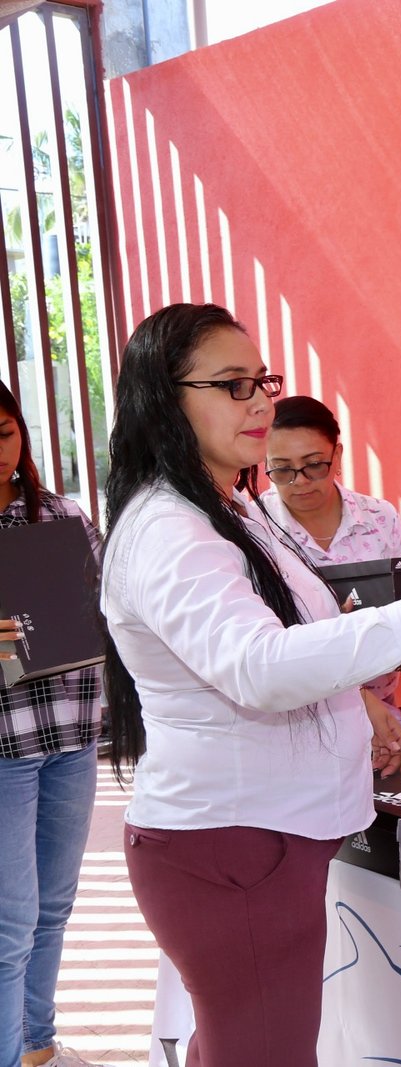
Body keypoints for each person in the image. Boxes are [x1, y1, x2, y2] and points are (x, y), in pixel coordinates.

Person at [98, 303, 401, 1066]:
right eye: (232, 384)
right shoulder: (170, 530)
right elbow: (258, 667)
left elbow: (288, 637)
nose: (260, 402)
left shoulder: (225, 507)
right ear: (163, 397)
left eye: (263, 381)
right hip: (231, 842)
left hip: (260, 834)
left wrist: (354, 697)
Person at [0, 383, 103, 1067]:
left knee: (54, 906)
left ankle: (37, 1043)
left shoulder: (62, 516)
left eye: (4, 433)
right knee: (9, 922)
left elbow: (111, 608)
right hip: (3, 748)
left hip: (72, 735)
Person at [259, 394, 401, 724]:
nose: (300, 481)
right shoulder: (254, 528)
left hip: (382, 714)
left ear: (336, 455)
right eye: (282, 470)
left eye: (314, 464)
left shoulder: (380, 518)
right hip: (291, 719)